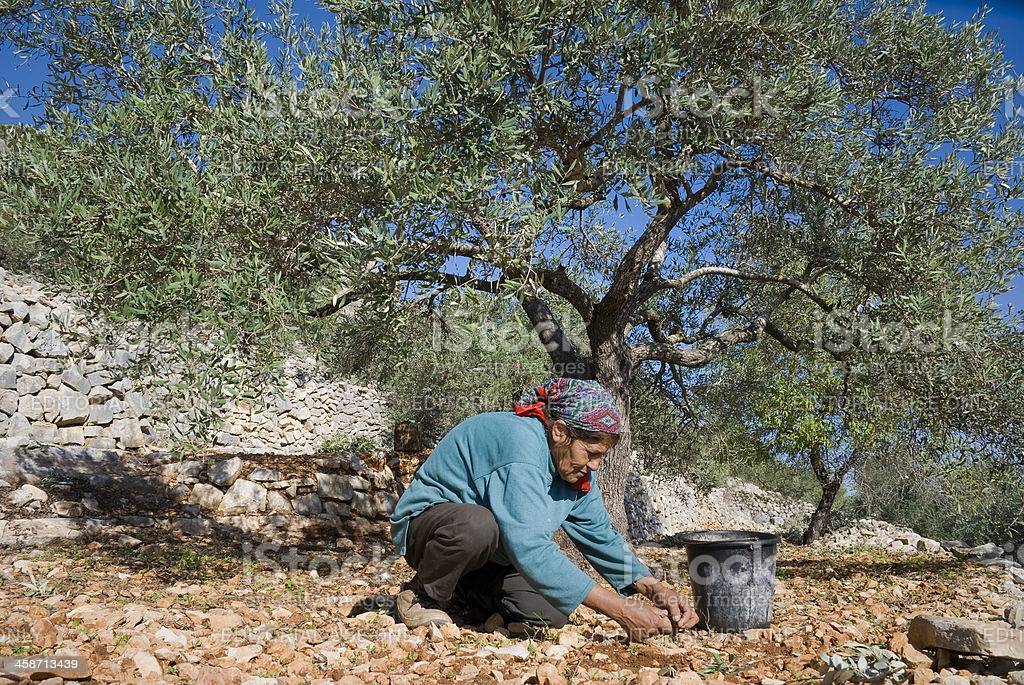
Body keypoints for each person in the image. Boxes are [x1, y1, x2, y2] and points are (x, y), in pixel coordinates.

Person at [389, 378, 699, 641]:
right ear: (560, 432)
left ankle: (460, 594)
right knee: (477, 525)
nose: (595, 465)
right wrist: (620, 610)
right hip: (432, 531)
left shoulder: (574, 471)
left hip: (494, 554)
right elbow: (531, 547)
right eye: (590, 453)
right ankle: (422, 594)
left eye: (601, 456)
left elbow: (602, 538)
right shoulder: (520, 445)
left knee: (550, 612)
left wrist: (656, 588)